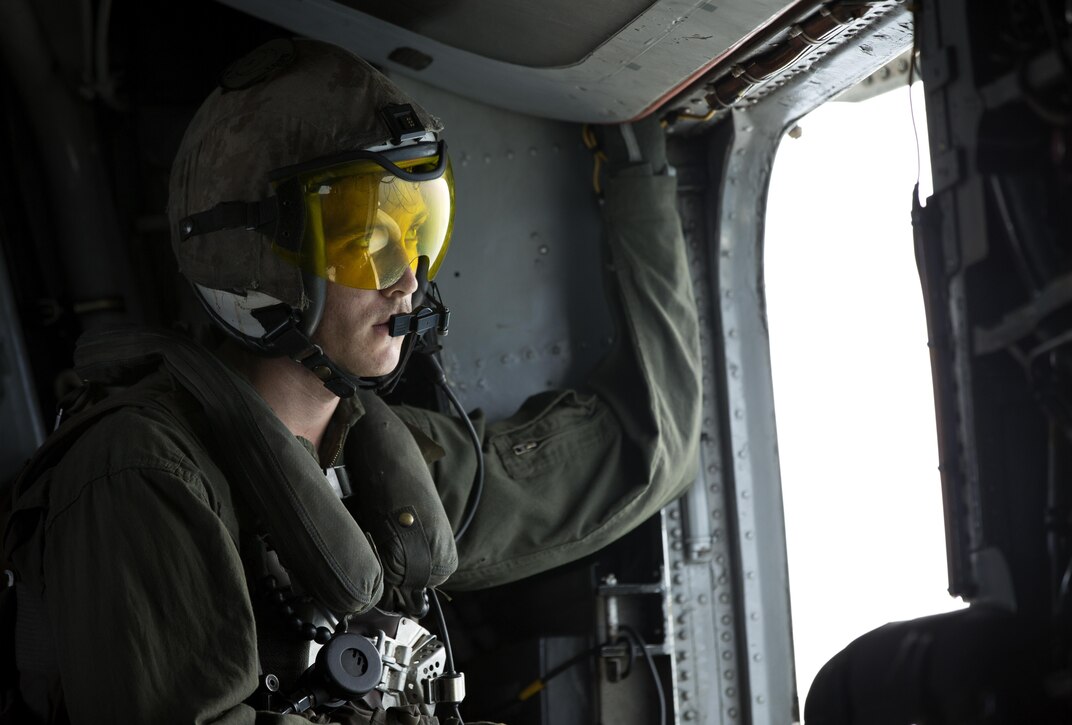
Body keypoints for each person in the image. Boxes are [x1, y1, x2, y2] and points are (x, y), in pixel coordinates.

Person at [2, 37, 701, 724]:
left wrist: (638, 171)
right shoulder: (141, 475)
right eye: (364, 239)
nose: (407, 278)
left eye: (417, 228)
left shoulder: (378, 461)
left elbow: (640, 453)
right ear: (255, 259)